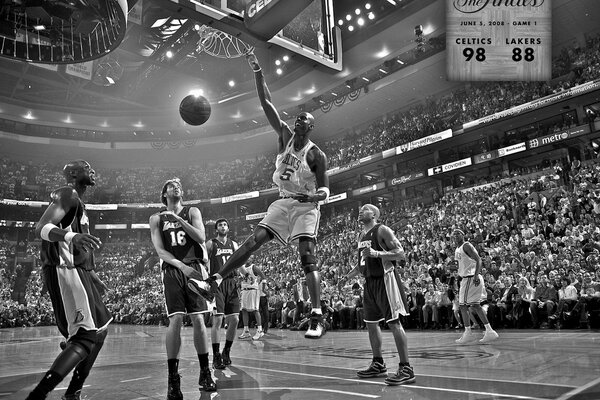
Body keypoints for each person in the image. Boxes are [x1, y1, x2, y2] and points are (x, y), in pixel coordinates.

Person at [188, 47, 330, 339]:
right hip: (283, 201)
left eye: (303, 119)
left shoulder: (317, 155)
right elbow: (266, 102)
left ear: (311, 126)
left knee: (307, 256)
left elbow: (326, 189)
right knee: (253, 240)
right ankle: (214, 279)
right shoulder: (283, 137)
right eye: (297, 117)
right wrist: (256, 69)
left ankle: (317, 314)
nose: (297, 120)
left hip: (306, 206)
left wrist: (312, 198)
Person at [27, 160, 112, 400]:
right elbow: (41, 228)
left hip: (80, 271)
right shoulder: (68, 193)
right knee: (85, 336)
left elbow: (78, 245)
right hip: (65, 270)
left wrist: (92, 274)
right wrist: (70, 235)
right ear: (74, 173)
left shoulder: (80, 202)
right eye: (87, 167)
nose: (93, 170)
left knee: (101, 330)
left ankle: (74, 390)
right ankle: (38, 395)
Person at [149, 178, 216, 397]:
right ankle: (173, 379)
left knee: (198, 319)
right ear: (164, 194)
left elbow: (201, 236)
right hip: (172, 269)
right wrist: (180, 266)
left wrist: (177, 218)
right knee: (175, 319)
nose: (176, 186)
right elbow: (160, 250)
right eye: (171, 185)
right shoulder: (156, 219)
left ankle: (205, 371)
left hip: (194, 266)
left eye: (178, 185)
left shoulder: (191, 212)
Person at [340, 204, 415, 386]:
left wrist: (377, 253)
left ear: (374, 214)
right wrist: (347, 277)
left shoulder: (382, 230)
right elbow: (361, 264)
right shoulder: (361, 236)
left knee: (394, 322)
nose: (360, 210)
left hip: (385, 279)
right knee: (371, 324)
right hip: (369, 283)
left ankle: (406, 368)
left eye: (365, 208)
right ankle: (378, 363)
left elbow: (401, 254)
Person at [452, 229, 499, 344]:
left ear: (463, 235)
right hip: (466, 278)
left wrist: (476, 275)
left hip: (471, 278)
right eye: (454, 234)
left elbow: (478, 259)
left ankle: (468, 332)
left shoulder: (466, 245)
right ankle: (489, 331)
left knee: (462, 306)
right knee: (475, 305)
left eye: (458, 233)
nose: (456, 235)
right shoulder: (457, 249)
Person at [206, 218, 240, 369]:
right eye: (220, 225)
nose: (223, 226)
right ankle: (216, 356)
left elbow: (240, 263)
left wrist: (250, 274)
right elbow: (204, 262)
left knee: (235, 320)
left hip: (232, 283)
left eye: (225, 224)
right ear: (216, 229)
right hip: (218, 283)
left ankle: (226, 350)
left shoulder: (234, 244)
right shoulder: (211, 244)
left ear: (228, 227)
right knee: (218, 320)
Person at [238, 256, 267, 340]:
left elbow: (263, 277)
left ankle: (260, 330)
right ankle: (246, 331)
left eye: (249, 258)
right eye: (247, 258)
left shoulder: (254, 267)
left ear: (252, 259)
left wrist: (263, 287)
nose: (247, 259)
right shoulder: (242, 267)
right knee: (244, 310)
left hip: (253, 290)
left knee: (255, 310)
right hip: (244, 290)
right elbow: (241, 278)